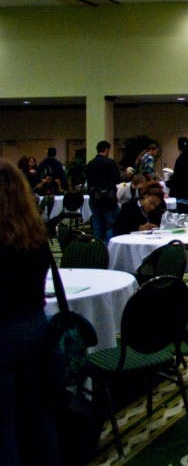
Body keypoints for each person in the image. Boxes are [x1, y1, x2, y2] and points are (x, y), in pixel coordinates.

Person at [0, 158, 61, 466]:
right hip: (37, 326)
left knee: (4, 426)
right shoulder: (34, 233)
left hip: (5, 332)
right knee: (36, 414)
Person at [85, 140, 121, 244]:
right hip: (108, 198)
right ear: (106, 150)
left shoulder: (90, 164)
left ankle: (97, 246)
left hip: (95, 198)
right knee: (110, 223)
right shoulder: (110, 162)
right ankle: (109, 246)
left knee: (97, 223)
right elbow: (117, 179)